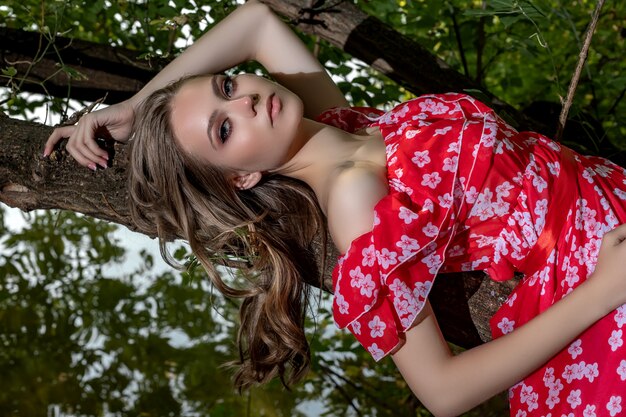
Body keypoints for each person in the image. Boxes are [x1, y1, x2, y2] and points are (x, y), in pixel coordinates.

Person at [44, 2, 626, 416]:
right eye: (225, 128)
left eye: (226, 87)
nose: (246, 99)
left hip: (612, 193)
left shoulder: (345, 124)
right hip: (597, 266)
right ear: (243, 177)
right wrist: (603, 291)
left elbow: (255, 20)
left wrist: (133, 108)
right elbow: (443, 392)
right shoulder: (353, 199)